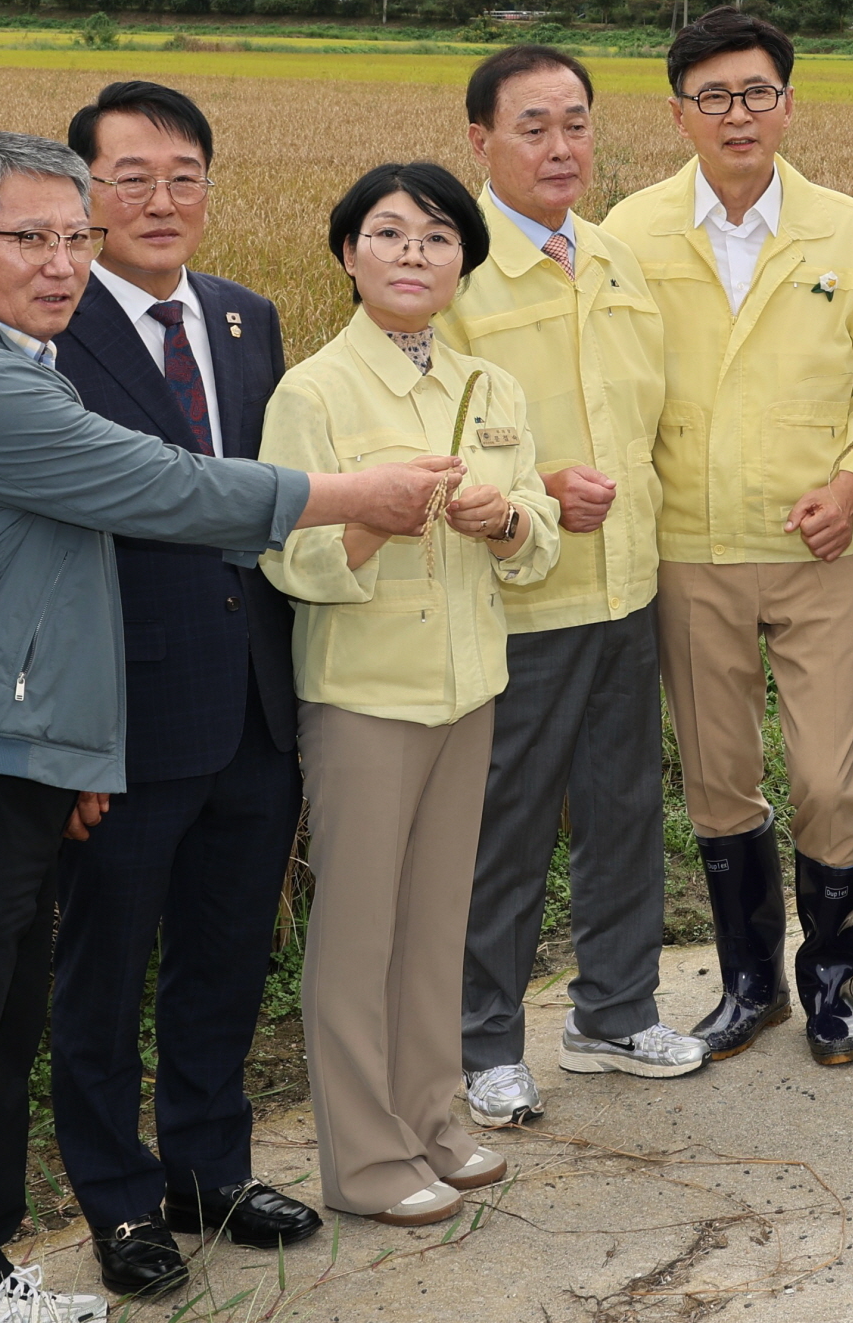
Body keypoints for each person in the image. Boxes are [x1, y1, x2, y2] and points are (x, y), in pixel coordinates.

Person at [0, 132, 454, 1323]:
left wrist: (69, 746)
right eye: (32, 237)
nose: (63, 260)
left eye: (74, 236)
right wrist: (350, 496)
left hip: (37, 739)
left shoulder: (33, 352)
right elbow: (160, 486)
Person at [47, 83, 319, 1297]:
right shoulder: (49, 335)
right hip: (130, 717)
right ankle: (116, 1197)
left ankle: (208, 1167)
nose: (162, 200)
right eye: (131, 176)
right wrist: (71, 740)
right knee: (104, 971)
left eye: (186, 174)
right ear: (83, 193)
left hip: (257, 703)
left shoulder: (248, 317)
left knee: (223, 954)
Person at [260, 162, 563, 1226]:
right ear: (347, 254)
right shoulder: (314, 390)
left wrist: (510, 523)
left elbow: (538, 534)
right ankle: (367, 1157)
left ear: (462, 264)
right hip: (363, 696)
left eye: (437, 238)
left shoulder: (491, 387)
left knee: (436, 920)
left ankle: (434, 1116)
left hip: (468, 685)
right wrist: (378, 518)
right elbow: (288, 559)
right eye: (387, 234)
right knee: (355, 931)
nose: (412, 255)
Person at [601, 6, 853, 1067]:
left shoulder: (851, 229)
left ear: (788, 101)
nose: (739, 114)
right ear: (679, 111)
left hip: (820, 543)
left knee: (829, 775)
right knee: (719, 773)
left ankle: (832, 981)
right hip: (686, 543)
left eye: (758, 91)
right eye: (714, 95)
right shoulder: (627, 233)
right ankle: (748, 983)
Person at [436, 46, 708, 1135]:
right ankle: (482, 1040)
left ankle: (614, 1012)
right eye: (534, 125)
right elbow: (417, 436)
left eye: (578, 125)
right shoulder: (453, 271)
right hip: (519, 599)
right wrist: (535, 484)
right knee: (504, 825)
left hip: (625, 587)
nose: (561, 146)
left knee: (623, 808)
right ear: (481, 141)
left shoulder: (615, 258)